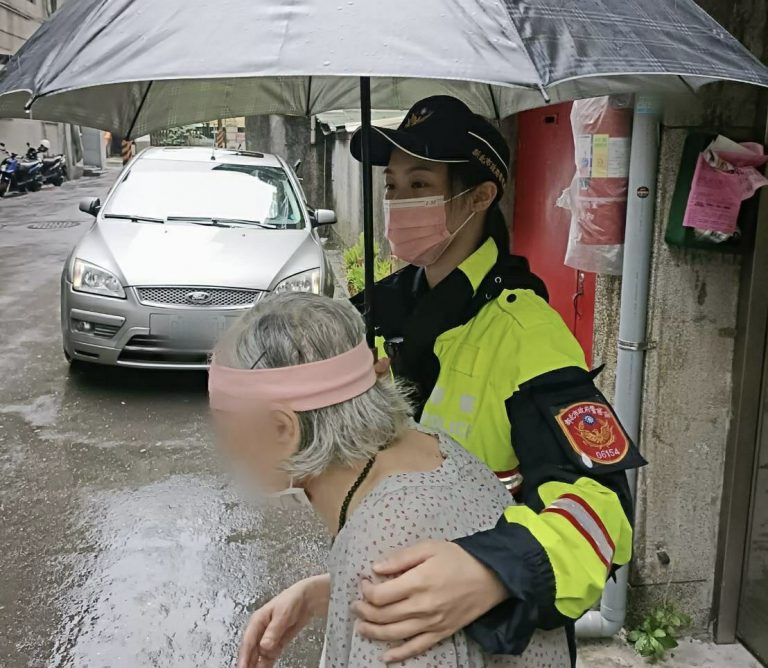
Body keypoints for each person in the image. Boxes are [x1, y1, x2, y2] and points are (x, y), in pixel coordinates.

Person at [343, 95, 647, 665]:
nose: (398, 202)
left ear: (481, 196)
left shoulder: (527, 333)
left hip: (498, 637)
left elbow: (602, 505)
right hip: (399, 605)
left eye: (420, 184)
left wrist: (496, 569)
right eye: (391, 186)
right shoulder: (384, 312)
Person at [209, 292, 569, 667]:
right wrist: (327, 594)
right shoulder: (432, 448)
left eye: (225, 425)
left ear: (280, 430)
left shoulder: (385, 551)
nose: (224, 446)